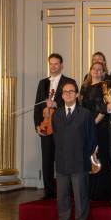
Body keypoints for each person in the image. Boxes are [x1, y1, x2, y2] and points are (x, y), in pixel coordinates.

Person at [50, 81, 96, 220]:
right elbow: (55, 138)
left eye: (71, 91)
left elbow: (91, 138)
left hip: (79, 159)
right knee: (62, 194)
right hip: (62, 159)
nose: (68, 94)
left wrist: (85, 155)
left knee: (80, 193)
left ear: (77, 94)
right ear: (62, 96)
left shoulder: (85, 114)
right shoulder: (56, 115)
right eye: (65, 92)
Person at [34, 53, 76, 200]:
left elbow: (73, 104)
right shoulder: (43, 83)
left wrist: (57, 104)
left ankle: (65, 192)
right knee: (47, 160)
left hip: (63, 128)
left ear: (61, 65)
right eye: (51, 64)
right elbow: (37, 106)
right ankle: (49, 192)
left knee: (63, 159)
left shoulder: (69, 82)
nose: (53, 66)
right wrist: (37, 125)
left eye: (56, 64)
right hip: (46, 126)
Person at [80, 61, 111, 201]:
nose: (97, 71)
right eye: (94, 69)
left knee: (101, 158)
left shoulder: (106, 87)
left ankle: (102, 193)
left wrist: (93, 123)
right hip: (86, 126)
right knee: (89, 158)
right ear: (90, 70)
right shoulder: (85, 87)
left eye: (100, 70)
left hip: (100, 126)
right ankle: (90, 192)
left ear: (104, 72)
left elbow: (105, 109)